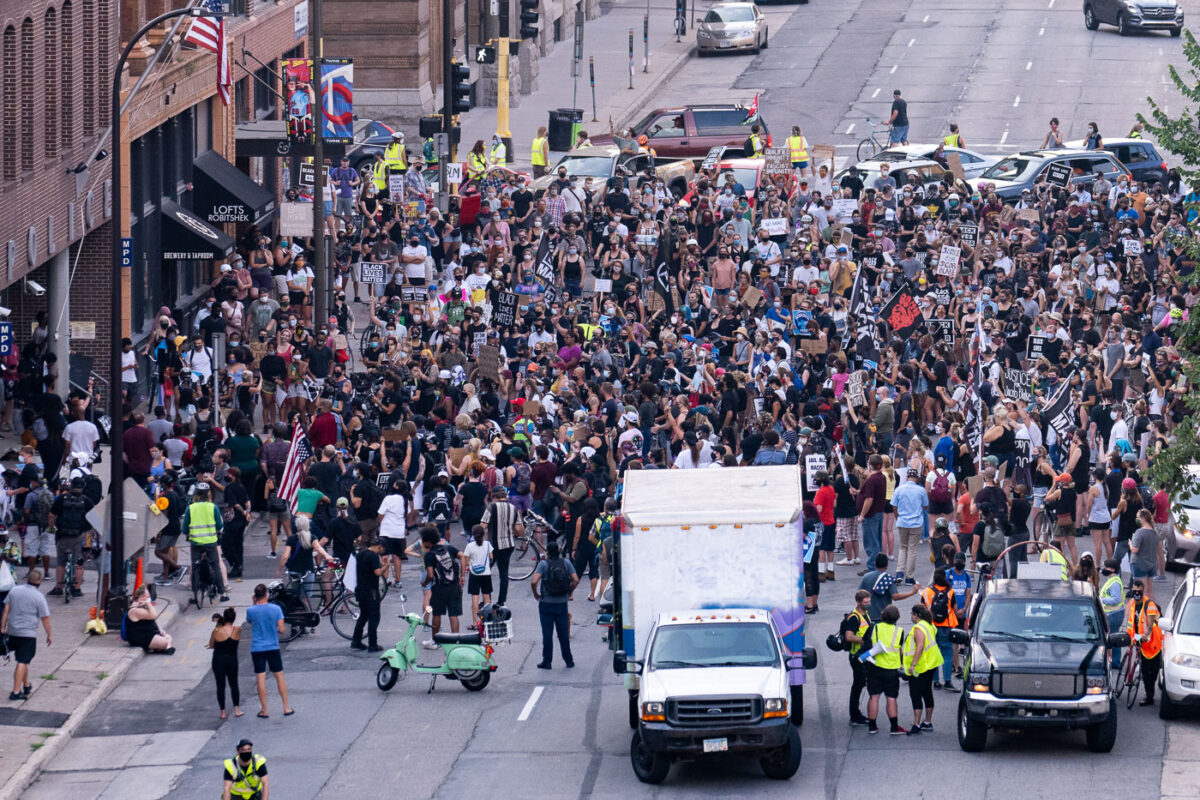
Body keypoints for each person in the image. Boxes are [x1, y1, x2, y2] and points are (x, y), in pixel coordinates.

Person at [246, 583, 293, 718]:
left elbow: (250, 621)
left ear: (255, 596)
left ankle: (265, 709)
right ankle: (286, 707)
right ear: (267, 595)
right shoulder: (276, 609)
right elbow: (282, 630)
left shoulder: (251, 610)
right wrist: (275, 628)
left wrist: (253, 603)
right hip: (273, 646)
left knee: (260, 677)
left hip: (257, 648)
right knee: (279, 676)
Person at [1, 569, 50, 701]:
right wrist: (49, 635)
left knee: (24, 658)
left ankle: (26, 685)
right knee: (22, 661)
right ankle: (16, 692)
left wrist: (2, 626)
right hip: (28, 634)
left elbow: (6, 608)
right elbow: (45, 618)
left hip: (13, 631)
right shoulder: (39, 597)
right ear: (39, 582)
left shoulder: (15, 590)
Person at [532, 540, 578, 669]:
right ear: (558, 551)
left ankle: (547, 661)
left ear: (547, 553)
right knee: (563, 633)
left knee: (547, 633)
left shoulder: (543, 564)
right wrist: (570, 592)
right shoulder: (566, 563)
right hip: (562, 603)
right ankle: (568, 660)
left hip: (546, 603)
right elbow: (576, 579)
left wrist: (536, 594)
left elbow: (534, 581)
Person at [863, 603, 906, 735]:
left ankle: (872, 726)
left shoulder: (874, 628)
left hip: (875, 667)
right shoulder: (899, 631)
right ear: (896, 618)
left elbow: (866, 643)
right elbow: (899, 650)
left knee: (874, 697)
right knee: (891, 698)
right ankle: (894, 727)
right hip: (892, 669)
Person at [183, 483, 229, 603]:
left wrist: (187, 533)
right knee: (215, 566)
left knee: (195, 566)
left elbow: (184, 528)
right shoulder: (213, 507)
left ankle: (194, 596)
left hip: (195, 542)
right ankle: (222, 593)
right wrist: (219, 532)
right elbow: (219, 525)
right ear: (209, 493)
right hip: (210, 541)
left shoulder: (190, 508)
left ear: (196, 494)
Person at [48, 476, 93, 597]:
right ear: (83, 487)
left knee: (61, 562)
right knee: (79, 563)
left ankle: (58, 587)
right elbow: (94, 517)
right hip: (79, 536)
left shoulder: (62, 498)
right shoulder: (86, 500)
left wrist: (51, 528)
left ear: (71, 486)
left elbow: (51, 514)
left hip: (62, 535)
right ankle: (77, 588)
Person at [902, 603, 942, 735]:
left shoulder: (918, 628)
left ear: (916, 615)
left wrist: (913, 665)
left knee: (915, 694)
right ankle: (927, 722)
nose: (911, 616)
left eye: (912, 614)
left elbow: (920, 645)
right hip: (931, 663)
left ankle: (916, 724)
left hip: (921, 666)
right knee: (927, 692)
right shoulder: (929, 624)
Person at [481, 485, 522, 605]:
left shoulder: (491, 507)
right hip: (509, 544)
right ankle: (501, 601)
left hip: (493, 546)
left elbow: (482, 525)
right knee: (504, 574)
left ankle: (487, 599)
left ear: (494, 496)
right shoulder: (513, 508)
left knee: (486, 572)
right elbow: (519, 529)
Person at [1125, 578, 1163, 707]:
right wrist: (1130, 637)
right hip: (1139, 640)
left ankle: (1150, 692)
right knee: (1146, 672)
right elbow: (1130, 622)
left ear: (1143, 591)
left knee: (1152, 672)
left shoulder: (1150, 605)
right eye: (1134, 591)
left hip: (1152, 643)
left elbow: (1150, 627)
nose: (1136, 594)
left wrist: (1143, 637)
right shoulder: (1131, 603)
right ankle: (1149, 696)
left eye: (1139, 591)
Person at [422, 525, 464, 636]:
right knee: (453, 615)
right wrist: (462, 575)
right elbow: (462, 556)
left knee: (436, 614)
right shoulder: (448, 548)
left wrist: (425, 583)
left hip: (440, 588)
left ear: (428, 542)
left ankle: (436, 640)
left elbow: (430, 575)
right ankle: (455, 639)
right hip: (454, 586)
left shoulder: (429, 555)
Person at [920, 569, 958, 690]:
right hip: (946, 626)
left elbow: (922, 608)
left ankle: (935, 681)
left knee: (933, 653)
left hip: (931, 626)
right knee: (947, 653)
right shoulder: (950, 591)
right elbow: (955, 609)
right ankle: (947, 681)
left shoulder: (927, 592)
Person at [858, 552, 920, 622]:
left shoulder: (866, 577)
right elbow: (895, 597)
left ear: (875, 564)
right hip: (885, 617)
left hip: (868, 617)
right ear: (886, 566)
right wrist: (912, 593)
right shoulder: (888, 579)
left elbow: (859, 595)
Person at [891, 470, 928, 583]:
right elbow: (925, 506)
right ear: (916, 478)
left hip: (902, 521)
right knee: (912, 549)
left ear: (907, 477)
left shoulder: (899, 489)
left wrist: (898, 517)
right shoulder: (921, 490)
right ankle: (909, 576)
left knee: (903, 547)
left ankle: (899, 571)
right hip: (916, 522)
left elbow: (894, 506)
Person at [842, 589, 872, 726]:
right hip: (856, 656)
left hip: (864, 654)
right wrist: (861, 640)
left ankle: (857, 713)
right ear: (858, 602)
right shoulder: (854, 617)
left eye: (869, 601)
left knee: (860, 684)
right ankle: (854, 716)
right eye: (865, 602)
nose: (868, 604)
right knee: (857, 685)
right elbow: (849, 636)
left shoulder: (865, 614)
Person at [351, 537, 386, 652]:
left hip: (360, 589)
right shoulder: (373, 556)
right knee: (374, 617)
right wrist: (386, 565)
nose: (382, 552)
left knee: (363, 615)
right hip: (371, 590)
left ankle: (356, 640)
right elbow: (377, 572)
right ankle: (372, 644)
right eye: (382, 550)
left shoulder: (361, 554)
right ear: (379, 547)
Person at [208, 606, 243, 720]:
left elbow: (211, 645)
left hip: (218, 659)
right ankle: (237, 709)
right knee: (234, 684)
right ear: (234, 618)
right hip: (232, 659)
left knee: (220, 685)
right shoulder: (238, 630)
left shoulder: (217, 631)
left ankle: (223, 712)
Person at [124, 585, 174, 654]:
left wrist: (159, 630)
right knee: (165, 642)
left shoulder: (142, 605)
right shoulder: (135, 610)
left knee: (168, 637)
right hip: (140, 636)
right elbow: (153, 615)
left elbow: (151, 622)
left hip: (149, 633)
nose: (149, 599)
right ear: (142, 597)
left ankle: (164, 648)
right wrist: (148, 604)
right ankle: (165, 648)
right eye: (148, 597)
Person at [463, 524, 494, 625]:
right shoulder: (488, 544)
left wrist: (471, 565)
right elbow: (491, 557)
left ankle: (475, 622)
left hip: (474, 574)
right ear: (483, 534)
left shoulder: (469, 546)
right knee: (486, 598)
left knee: (475, 599)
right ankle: (487, 620)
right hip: (486, 574)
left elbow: (466, 560)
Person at [1100, 557, 1125, 671]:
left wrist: (1101, 599)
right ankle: (1115, 661)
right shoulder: (1112, 580)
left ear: (1112, 569)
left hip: (1114, 613)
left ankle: (1114, 662)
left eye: (1106, 567)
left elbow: (1116, 599)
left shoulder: (1115, 583)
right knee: (1113, 637)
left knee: (1112, 638)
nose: (1104, 569)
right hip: (1113, 613)